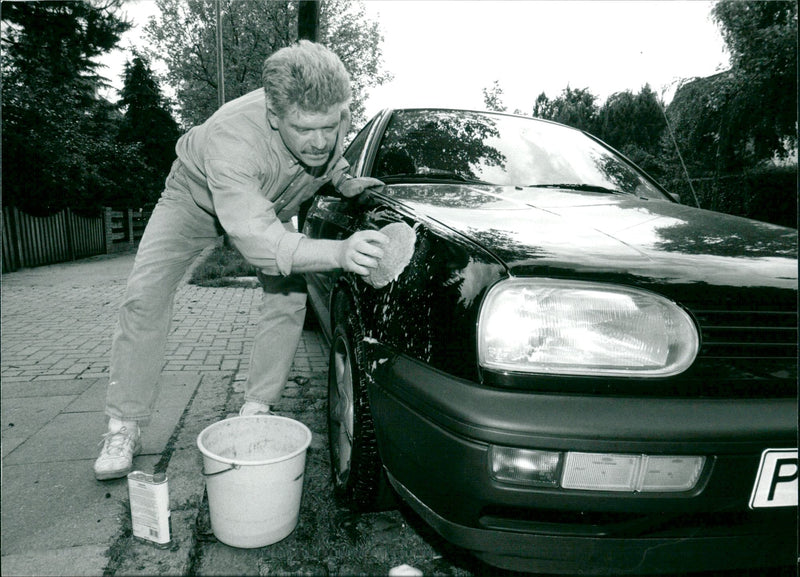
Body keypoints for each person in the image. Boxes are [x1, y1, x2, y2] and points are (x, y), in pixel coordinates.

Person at [94, 40, 387, 481]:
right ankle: (124, 426)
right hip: (194, 201)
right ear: (274, 115)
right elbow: (259, 241)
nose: (321, 140)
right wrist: (340, 253)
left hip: (267, 203)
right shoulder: (232, 137)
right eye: (305, 130)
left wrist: (343, 179)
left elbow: (331, 159)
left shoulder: (330, 113)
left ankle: (257, 406)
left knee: (289, 296)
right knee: (143, 297)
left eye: (329, 126)